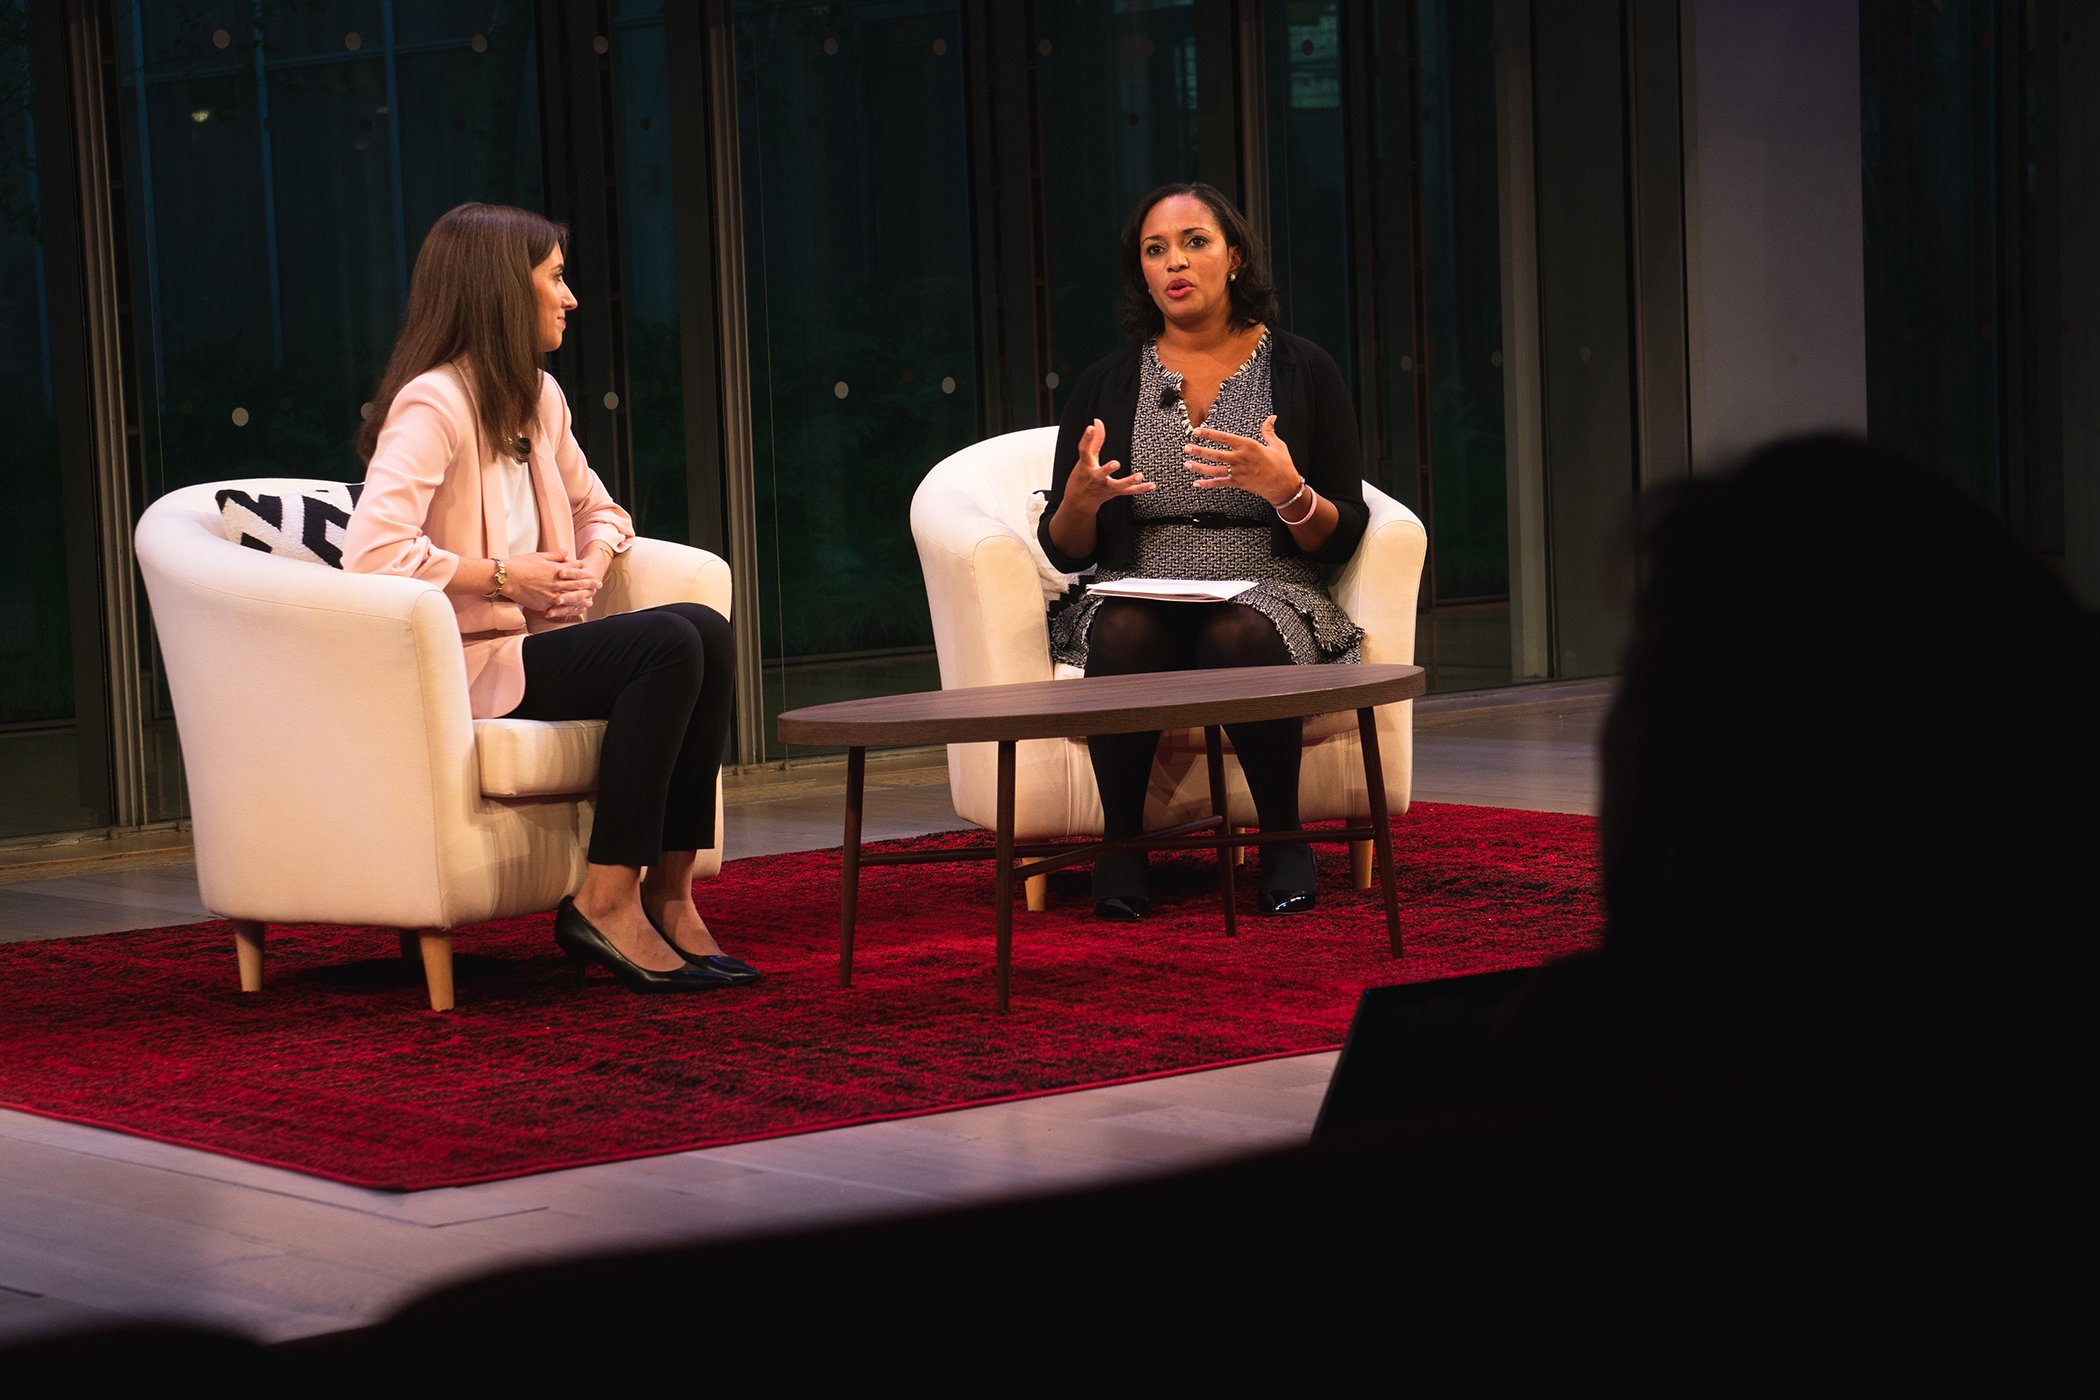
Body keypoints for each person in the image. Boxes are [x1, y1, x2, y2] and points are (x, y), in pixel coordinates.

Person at [344, 202, 752, 994]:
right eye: (556, 278)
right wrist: (506, 576)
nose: (570, 298)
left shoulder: (538, 396)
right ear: (502, 290)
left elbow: (602, 511)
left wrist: (587, 566)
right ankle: (605, 898)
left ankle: (670, 891)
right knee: (668, 645)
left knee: (706, 628)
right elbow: (373, 552)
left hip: (528, 651)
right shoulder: (433, 404)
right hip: (463, 663)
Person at [1037, 182, 1370, 919]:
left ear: (1235, 256)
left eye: (1195, 243)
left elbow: (1344, 529)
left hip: (1267, 580)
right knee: (1122, 626)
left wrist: (1290, 492)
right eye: (1155, 250)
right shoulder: (1107, 382)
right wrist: (1079, 504)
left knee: (1240, 629)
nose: (1174, 263)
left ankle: (1283, 838)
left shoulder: (1303, 368)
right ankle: (1122, 848)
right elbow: (1063, 552)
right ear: (1143, 273)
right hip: (1139, 579)